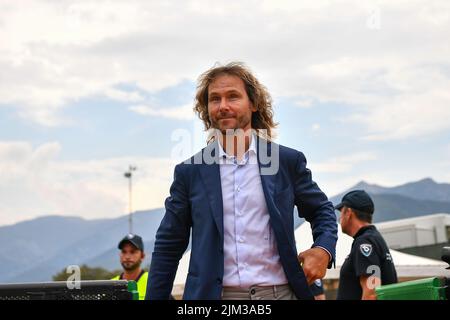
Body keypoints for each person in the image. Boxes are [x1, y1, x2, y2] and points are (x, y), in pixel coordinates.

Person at [146, 62, 338, 300]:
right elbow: (168, 244)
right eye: (215, 99)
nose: (223, 106)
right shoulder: (190, 172)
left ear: (254, 103)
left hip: (279, 294)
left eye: (233, 97)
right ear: (207, 109)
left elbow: (322, 210)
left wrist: (324, 249)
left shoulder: (285, 161)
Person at [335, 190, 398, 300]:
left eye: (341, 212)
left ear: (349, 213)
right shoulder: (374, 238)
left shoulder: (364, 242)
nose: (340, 218)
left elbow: (372, 293)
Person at [111, 234, 148, 300]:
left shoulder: (152, 282)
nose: (127, 257)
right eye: (124, 252)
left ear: (142, 256)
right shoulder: (111, 284)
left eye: (132, 252)